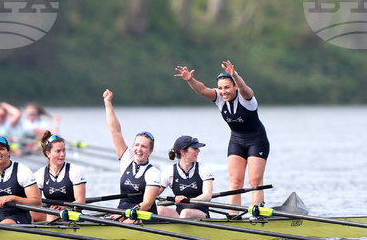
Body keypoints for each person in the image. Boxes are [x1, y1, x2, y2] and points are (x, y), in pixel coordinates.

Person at [175, 60, 269, 213]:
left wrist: (236, 76)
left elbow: (244, 88)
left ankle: (256, 215)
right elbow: (202, 90)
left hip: (257, 140)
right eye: (220, 88)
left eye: (227, 87)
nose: (223, 91)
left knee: (255, 181)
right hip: (237, 140)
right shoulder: (219, 98)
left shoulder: (246, 98)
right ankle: (233, 216)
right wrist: (190, 80)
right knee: (235, 181)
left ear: (235, 87)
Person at [104, 89, 161, 222]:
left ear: (150, 151)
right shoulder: (126, 160)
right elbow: (115, 131)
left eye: (144, 146)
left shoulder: (153, 173)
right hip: (120, 213)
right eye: (136, 145)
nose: (139, 149)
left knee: (125, 222)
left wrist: (123, 216)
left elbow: (147, 204)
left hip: (142, 215)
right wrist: (108, 103)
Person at [31, 132, 86, 222]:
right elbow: (36, 202)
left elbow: (80, 202)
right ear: (48, 154)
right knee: (30, 214)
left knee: (52, 216)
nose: (62, 154)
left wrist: (63, 207)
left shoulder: (74, 171)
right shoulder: (40, 174)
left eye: (64, 150)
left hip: (71, 213)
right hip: (50, 212)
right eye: (58, 151)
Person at [157, 135, 214, 219]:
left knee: (186, 212)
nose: (198, 151)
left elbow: (207, 196)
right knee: (158, 209)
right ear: (183, 152)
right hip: (180, 214)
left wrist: (187, 201)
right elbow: (154, 193)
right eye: (195, 148)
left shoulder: (203, 168)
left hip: (201, 213)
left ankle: (176, 230)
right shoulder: (169, 172)